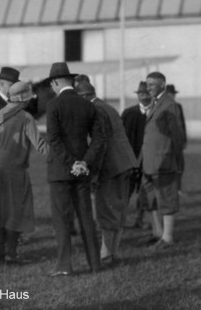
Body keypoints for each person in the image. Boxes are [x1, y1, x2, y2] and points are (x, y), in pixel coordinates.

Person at [44, 62, 105, 276]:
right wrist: (84, 162)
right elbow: (99, 139)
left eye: (51, 83)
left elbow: (53, 139)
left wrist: (71, 163)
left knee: (62, 220)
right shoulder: (88, 105)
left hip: (60, 171)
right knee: (86, 217)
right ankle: (95, 264)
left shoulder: (53, 105)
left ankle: (64, 266)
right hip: (82, 171)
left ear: (56, 82)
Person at [0, 82, 47, 264]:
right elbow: (40, 145)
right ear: (24, 99)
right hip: (13, 170)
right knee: (15, 212)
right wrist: (61, 155)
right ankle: (11, 254)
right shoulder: (25, 117)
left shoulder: (0, 114)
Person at [75, 81, 137, 265]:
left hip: (111, 167)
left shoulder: (96, 110)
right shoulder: (107, 107)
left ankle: (106, 255)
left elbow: (100, 143)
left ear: (83, 96)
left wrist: (94, 174)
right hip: (124, 163)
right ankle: (112, 253)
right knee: (117, 210)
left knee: (107, 211)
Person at [142, 72, 185, 250]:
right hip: (150, 162)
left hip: (164, 161)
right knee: (151, 198)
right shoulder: (155, 103)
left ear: (162, 85)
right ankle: (158, 233)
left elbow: (177, 136)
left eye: (152, 84)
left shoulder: (169, 104)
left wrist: (175, 160)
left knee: (166, 199)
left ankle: (167, 238)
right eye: (147, 84)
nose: (148, 87)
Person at [121, 81, 152, 230]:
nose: (144, 97)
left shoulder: (155, 113)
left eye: (146, 94)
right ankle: (120, 221)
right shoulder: (128, 113)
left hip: (148, 161)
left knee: (144, 192)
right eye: (141, 94)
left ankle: (139, 218)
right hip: (129, 161)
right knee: (125, 192)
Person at [166, 84, 188, 196]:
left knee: (180, 166)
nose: (173, 96)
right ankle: (171, 189)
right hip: (168, 143)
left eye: (173, 94)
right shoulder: (163, 107)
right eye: (171, 94)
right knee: (170, 166)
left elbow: (183, 124)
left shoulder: (178, 106)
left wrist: (184, 140)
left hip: (178, 141)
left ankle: (178, 189)